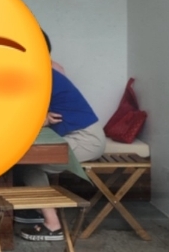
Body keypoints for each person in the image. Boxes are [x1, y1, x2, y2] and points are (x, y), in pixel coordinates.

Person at [18, 30, 105, 241]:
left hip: (85, 139)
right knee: (23, 158)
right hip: (78, 135)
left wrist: (42, 119)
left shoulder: (41, 75)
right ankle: (36, 209)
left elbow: (24, 117)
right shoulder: (40, 72)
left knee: (29, 163)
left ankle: (52, 224)